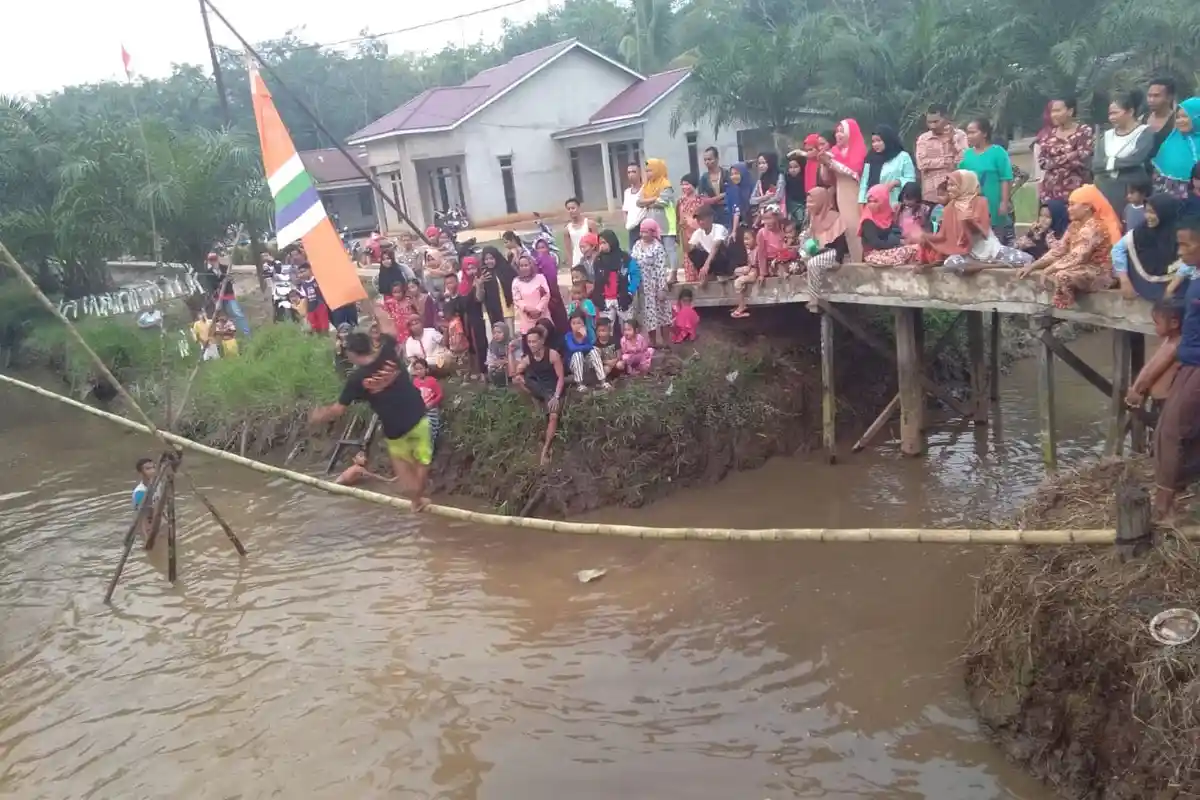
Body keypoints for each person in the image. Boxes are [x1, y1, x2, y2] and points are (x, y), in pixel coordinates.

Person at [309, 303, 433, 511]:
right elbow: (388, 324)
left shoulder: (356, 380)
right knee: (423, 461)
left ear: (351, 354)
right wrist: (370, 304)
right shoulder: (387, 351)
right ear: (369, 345)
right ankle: (417, 498)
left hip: (395, 431)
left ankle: (415, 497)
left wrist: (319, 415)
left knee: (405, 471)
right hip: (418, 417)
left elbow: (338, 410)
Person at [1152, 215, 1200, 519]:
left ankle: (1164, 505)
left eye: (1186, 245)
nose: (1181, 252)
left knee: (1171, 430)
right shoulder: (1194, 275)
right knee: (1181, 431)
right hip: (1189, 361)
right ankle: (1179, 496)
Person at [1017, 184, 1120, 308]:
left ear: (1087, 207)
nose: (1069, 209)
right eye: (1069, 205)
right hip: (1082, 267)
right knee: (1056, 273)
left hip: (1099, 272)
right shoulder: (1074, 225)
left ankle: (1066, 304)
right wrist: (1032, 266)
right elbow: (1059, 250)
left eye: (1073, 205)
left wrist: (1049, 269)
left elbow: (1076, 256)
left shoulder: (1094, 227)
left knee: (1062, 275)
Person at [1112, 194, 1187, 301]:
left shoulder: (1182, 233)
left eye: (1153, 212)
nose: (1147, 216)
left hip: (1178, 284)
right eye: (1146, 211)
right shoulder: (1141, 231)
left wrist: (1171, 287)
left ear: (1165, 213)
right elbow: (1117, 250)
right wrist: (1124, 280)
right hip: (1144, 285)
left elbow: (1190, 260)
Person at [1093, 90, 1154, 219]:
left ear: (1130, 112)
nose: (1111, 117)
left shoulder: (1144, 132)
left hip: (1131, 192)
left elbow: (1136, 160)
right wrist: (1120, 164)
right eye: (1110, 114)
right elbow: (1096, 165)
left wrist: (1108, 163)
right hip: (1105, 190)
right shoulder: (1107, 135)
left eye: (1115, 113)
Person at [514, 324, 565, 465]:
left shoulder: (553, 355)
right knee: (520, 379)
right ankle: (538, 401)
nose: (531, 345)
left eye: (534, 341)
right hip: (539, 388)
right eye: (529, 342)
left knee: (553, 417)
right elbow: (515, 372)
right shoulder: (528, 358)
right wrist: (510, 355)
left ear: (542, 341)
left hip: (553, 389)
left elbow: (561, 378)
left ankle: (546, 449)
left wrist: (556, 396)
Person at [959, 118, 1015, 243]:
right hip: (974, 204)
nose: (969, 136)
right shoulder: (967, 155)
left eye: (973, 132)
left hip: (994, 202)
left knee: (996, 239)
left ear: (984, 133)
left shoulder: (998, 152)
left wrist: (1004, 202)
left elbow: (1005, 178)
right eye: (968, 133)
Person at [1127, 299, 1183, 414]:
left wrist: (1136, 391)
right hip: (1168, 399)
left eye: (1157, 323)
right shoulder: (1172, 340)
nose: (1155, 327)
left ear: (1174, 323)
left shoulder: (1173, 346)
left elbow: (1151, 371)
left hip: (1166, 402)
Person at [822, 119, 867, 262]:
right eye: (837, 132)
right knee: (848, 227)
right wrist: (824, 163)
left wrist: (831, 163)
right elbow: (826, 179)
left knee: (858, 226)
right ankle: (856, 260)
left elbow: (854, 171)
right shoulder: (833, 152)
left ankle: (863, 260)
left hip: (857, 192)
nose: (838, 135)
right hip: (842, 194)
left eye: (842, 132)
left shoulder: (859, 149)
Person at [1036, 96, 1095, 202]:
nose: (1053, 115)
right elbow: (1042, 163)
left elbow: (1082, 157)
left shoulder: (1084, 131)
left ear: (1070, 111)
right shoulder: (1047, 135)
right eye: (1052, 111)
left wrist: (1054, 161)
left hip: (1078, 193)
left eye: (1058, 111)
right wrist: (1069, 155)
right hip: (1051, 194)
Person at [630, 218, 673, 346]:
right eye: (642, 232)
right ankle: (652, 343)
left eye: (646, 232)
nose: (643, 235)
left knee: (663, 315)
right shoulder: (637, 245)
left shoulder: (658, 247)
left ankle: (666, 343)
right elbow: (633, 264)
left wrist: (662, 289)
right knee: (649, 316)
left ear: (653, 232)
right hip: (643, 288)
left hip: (655, 285)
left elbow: (661, 269)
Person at [915, 104, 968, 205]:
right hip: (931, 195)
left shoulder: (960, 135)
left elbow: (964, 159)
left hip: (957, 193)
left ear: (946, 118)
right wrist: (947, 161)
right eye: (929, 122)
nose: (932, 126)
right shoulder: (923, 139)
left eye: (936, 122)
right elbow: (922, 164)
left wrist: (952, 141)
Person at [1151, 97, 1200, 199]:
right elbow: (1158, 175)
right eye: (1178, 117)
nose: (1180, 121)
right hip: (1167, 197)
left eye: (1185, 116)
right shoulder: (1171, 141)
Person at [798, 187, 851, 276]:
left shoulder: (834, 217)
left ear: (821, 201)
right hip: (820, 250)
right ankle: (812, 274)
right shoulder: (814, 219)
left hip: (834, 252)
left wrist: (838, 260)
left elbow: (840, 243)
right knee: (803, 246)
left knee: (813, 263)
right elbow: (815, 241)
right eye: (807, 202)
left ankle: (815, 285)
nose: (808, 205)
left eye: (812, 202)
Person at [859, 125, 916, 205]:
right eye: (873, 141)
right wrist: (861, 202)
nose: (875, 144)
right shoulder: (870, 158)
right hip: (873, 205)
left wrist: (897, 182)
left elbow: (911, 179)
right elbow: (864, 183)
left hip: (896, 204)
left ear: (887, 140)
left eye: (879, 141)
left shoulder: (903, 156)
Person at [591, 229, 637, 326]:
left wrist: (630, 292)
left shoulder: (625, 258)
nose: (602, 246)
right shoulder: (598, 260)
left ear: (611, 242)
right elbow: (596, 280)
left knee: (628, 326)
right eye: (600, 243)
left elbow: (635, 274)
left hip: (623, 298)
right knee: (606, 328)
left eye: (604, 243)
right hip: (605, 301)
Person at [638, 158, 677, 270]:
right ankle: (660, 272)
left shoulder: (665, 185)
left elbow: (663, 202)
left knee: (670, 249)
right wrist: (654, 198)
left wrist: (647, 203)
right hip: (652, 225)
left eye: (650, 170)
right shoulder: (646, 185)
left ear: (658, 170)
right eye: (646, 171)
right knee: (655, 250)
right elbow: (638, 202)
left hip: (666, 224)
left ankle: (673, 272)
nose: (648, 173)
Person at [205, 252, 250, 336]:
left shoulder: (226, 268)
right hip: (218, 298)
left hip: (229, 296)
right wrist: (221, 283)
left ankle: (247, 334)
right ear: (209, 261)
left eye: (214, 259)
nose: (213, 261)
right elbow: (212, 286)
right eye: (211, 260)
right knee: (222, 318)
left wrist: (227, 278)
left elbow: (231, 280)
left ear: (217, 259)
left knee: (237, 313)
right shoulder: (208, 273)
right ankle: (227, 335)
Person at [564, 312, 611, 392]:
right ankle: (580, 384)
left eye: (579, 323)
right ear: (570, 325)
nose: (576, 326)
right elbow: (572, 349)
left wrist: (584, 337)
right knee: (577, 354)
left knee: (594, 352)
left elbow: (591, 348)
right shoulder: (568, 336)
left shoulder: (587, 334)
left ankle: (603, 381)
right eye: (573, 323)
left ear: (583, 324)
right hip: (574, 364)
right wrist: (585, 344)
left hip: (586, 364)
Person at [531, 237, 569, 335]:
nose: (540, 250)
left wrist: (550, 294)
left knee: (559, 321)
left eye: (543, 247)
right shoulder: (535, 263)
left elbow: (552, 280)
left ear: (548, 248)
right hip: (540, 298)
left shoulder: (550, 261)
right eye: (538, 248)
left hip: (553, 296)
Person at [687, 204, 730, 284]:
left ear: (711, 218)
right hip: (711, 260)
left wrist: (706, 265)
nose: (700, 222)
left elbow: (716, 246)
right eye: (698, 220)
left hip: (723, 260)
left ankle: (722, 274)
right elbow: (689, 248)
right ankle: (708, 275)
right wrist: (683, 230)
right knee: (693, 252)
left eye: (702, 219)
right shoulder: (698, 232)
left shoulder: (719, 228)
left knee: (718, 249)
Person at [511, 253, 550, 335]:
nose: (524, 268)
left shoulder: (540, 278)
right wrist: (527, 309)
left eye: (526, 265)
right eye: (521, 266)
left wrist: (538, 309)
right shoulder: (516, 282)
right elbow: (517, 299)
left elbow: (546, 295)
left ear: (531, 265)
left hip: (542, 316)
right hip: (527, 318)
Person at [409, 357, 443, 444]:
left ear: (426, 369)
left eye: (421, 369)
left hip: (431, 410)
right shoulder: (415, 382)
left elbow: (440, 395)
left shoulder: (432, 381)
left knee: (431, 430)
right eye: (416, 369)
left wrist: (432, 403)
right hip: (420, 410)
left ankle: (432, 445)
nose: (419, 371)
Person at [676, 174, 705, 279]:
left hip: (697, 235)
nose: (684, 187)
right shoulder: (680, 201)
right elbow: (678, 217)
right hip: (685, 235)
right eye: (682, 185)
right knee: (688, 259)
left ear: (693, 185)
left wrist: (690, 222)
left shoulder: (700, 200)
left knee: (698, 259)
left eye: (687, 184)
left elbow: (702, 219)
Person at [860, 183, 900, 256]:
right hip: (872, 255)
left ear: (884, 200)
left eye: (875, 201)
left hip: (889, 251)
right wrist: (896, 242)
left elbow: (896, 232)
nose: (871, 205)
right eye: (869, 201)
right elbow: (876, 243)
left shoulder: (888, 213)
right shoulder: (867, 219)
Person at [1145, 77, 1178, 160]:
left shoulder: (1176, 122)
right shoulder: (1142, 119)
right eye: (1149, 96)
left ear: (1169, 98)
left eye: (1156, 96)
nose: (1151, 100)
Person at [698, 146, 731, 227]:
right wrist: (721, 196)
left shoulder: (726, 174)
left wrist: (714, 200)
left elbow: (732, 192)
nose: (707, 162)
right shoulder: (704, 178)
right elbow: (703, 199)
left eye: (710, 159)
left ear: (717, 159)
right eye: (705, 160)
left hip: (727, 213)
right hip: (712, 215)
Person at [563, 197, 597, 269]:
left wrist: (596, 258)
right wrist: (571, 265)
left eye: (573, 208)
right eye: (568, 209)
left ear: (579, 208)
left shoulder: (590, 224)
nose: (571, 211)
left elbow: (597, 243)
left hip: (591, 259)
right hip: (576, 261)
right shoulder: (567, 229)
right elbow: (568, 249)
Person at [750, 152, 785, 222]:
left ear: (771, 162)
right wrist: (765, 197)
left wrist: (763, 203)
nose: (761, 166)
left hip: (777, 213)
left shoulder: (779, 177)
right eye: (759, 163)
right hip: (763, 215)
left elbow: (778, 197)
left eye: (764, 163)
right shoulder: (761, 179)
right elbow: (751, 200)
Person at [298, 263, 329, 334]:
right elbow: (305, 298)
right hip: (311, 308)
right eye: (300, 272)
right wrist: (306, 311)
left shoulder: (318, 280)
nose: (302, 274)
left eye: (303, 271)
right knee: (314, 327)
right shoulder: (303, 285)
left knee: (324, 326)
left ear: (310, 270)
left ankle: (325, 338)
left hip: (320, 306)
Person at [725, 162, 754, 233]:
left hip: (752, 225)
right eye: (732, 174)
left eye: (736, 173)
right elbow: (734, 210)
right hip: (735, 227)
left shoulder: (752, 187)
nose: (734, 176)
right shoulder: (731, 190)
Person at [622, 163, 646, 248]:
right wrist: (627, 224)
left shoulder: (645, 189)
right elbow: (625, 210)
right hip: (632, 229)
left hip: (644, 227)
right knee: (632, 252)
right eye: (629, 172)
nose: (631, 175)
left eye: (633, 172)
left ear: (639, 173)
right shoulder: (627, 192)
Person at [486, 321, 515, 386]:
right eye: (494, 333)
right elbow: (489, 359)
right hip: (498, 365)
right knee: (491, 368)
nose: (496, 335)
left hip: (511, 366)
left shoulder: (512, 343)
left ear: (505, 332)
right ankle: (497, 383)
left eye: (499, 332)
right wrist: (495, 363)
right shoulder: (492, 344)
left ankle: (511, 381)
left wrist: (505, 361)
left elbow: (516, 358)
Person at [783, 155, 808, 227]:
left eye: (796, 167)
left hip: (804, 206)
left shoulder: (805, 178)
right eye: (790, 167)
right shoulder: (786, 179)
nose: (793, 170)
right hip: (790, 208)